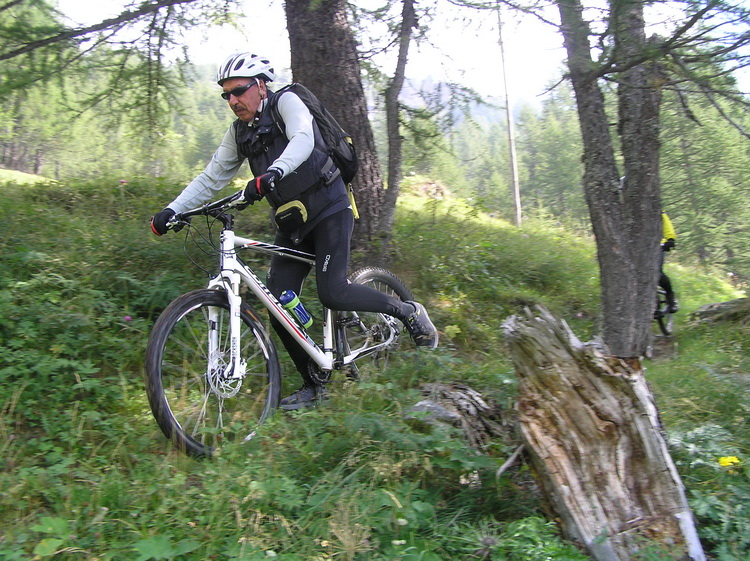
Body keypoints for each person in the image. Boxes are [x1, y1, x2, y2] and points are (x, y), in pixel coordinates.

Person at [150, 52, 438, 409]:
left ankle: (407, 311)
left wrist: (274, 171)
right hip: (293, 221)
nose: (233, 100)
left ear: (260, 85)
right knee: (278, 301)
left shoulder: (286, 102)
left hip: (330, 208)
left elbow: (302, 138)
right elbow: (212, 176)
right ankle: (314, 385)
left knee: (333, 291)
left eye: (239, 91)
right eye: (226, 94)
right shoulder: (239, 132)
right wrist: (173, 209)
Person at [660, 210, 678, 313]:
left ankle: (671, 299)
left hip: (657, 246)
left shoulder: (656, 209)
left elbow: (666, 222)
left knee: (657, 273)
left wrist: (670, 239)